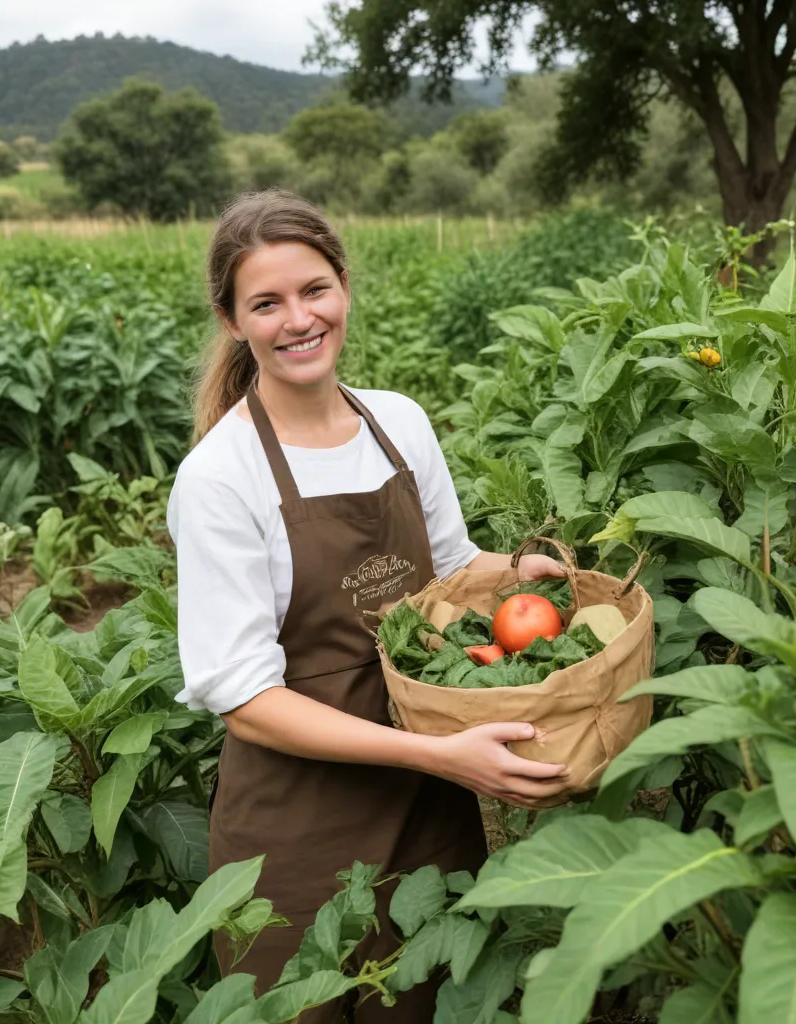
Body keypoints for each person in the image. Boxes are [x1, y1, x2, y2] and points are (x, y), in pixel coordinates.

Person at [167, 189, 572, 1021]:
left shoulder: (398, 424)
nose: (298, 319)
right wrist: (441, 754)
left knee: (421, 1000)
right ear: (232, 320)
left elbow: (449, 569)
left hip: (428, 806)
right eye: (266, 303)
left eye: (314, 290)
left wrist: (521, 571)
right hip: (297, 823)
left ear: (344, 286)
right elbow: (244, 699)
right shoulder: (221, 477)